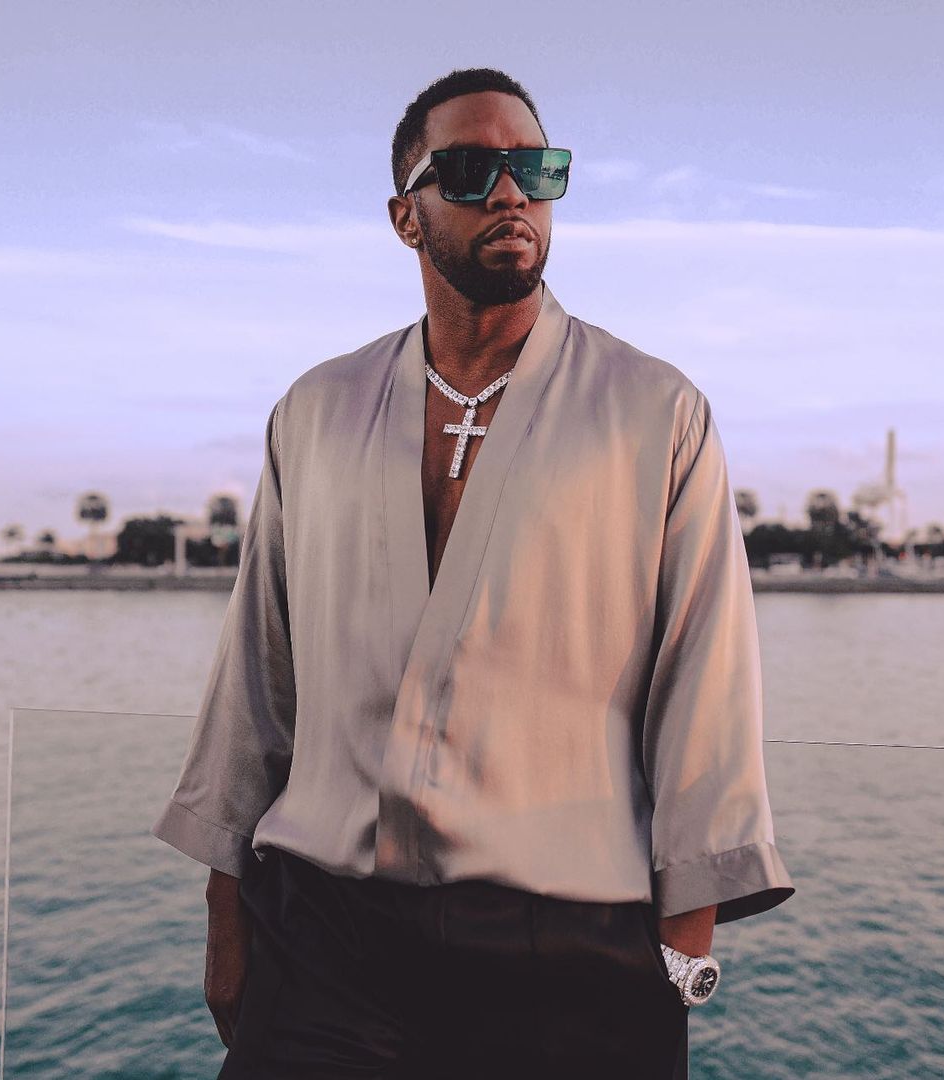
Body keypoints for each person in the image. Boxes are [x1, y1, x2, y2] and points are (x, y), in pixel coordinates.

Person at [152, 67, 795, 1079]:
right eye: (469, 169)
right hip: (327, 934)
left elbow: (706, 688)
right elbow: (257, 681)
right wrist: (226, 922)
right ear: (407, 216)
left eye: (535, 169)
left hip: (573, 944)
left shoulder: (655, 412)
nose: (509, 194)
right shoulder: (316, 412)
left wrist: (685, 958)